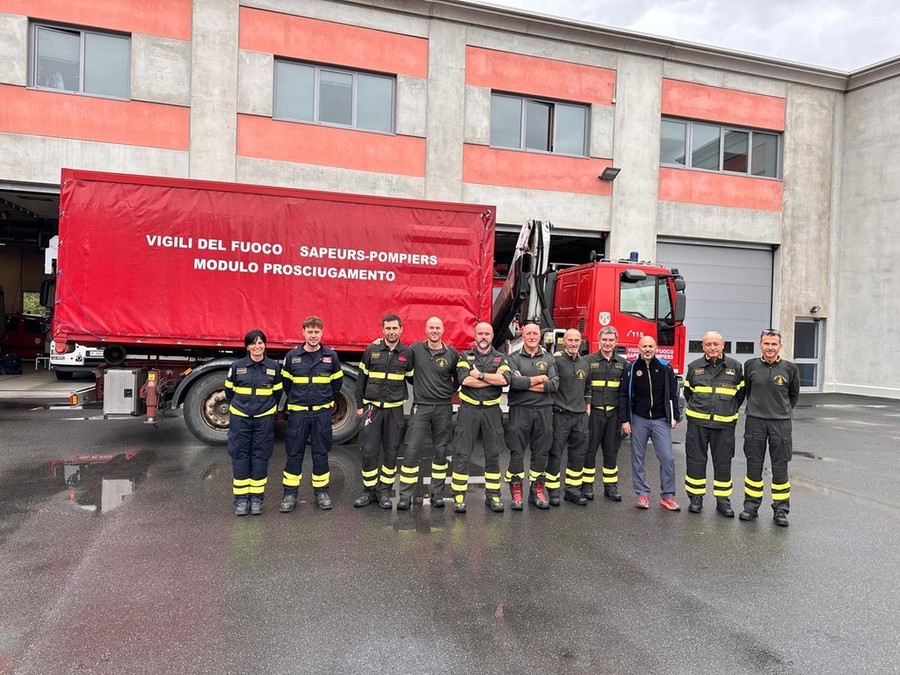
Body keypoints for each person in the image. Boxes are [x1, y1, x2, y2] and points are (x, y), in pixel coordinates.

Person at [278, 316, 344, 513]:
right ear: (303, 333)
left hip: (321, 415)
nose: (313, 335)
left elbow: (336, 384)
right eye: (310, 332)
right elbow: (287, 384)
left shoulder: (331, 357)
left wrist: (323, 400)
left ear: (321, 333)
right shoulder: (292, 357)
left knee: (321, 453)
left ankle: (322, 493)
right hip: (298, 415)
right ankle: (290, 494)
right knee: (294, 454)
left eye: (317, 332)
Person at [740, 328, 800, 527]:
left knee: (780, 467)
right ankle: (751, 506)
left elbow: (793, 396)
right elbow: (748, 391)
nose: (770, 347)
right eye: (766, 343)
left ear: (780, 346)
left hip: (780, 423)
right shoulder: (750, 366)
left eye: (774, 344)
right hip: (755, 422)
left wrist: (779, 411)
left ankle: (781, 510)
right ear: (760, 345)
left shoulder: (790, 369)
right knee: (753, 465)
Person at [682, 331, 746, 517]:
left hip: (724, 425)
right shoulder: (694, 367)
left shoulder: (735, 367)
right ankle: (695, 498)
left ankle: (723, 501)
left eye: (715, 344)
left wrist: (727, 409)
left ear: (722, 345)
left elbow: (740, 395)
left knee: (723, 462)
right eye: (708, 344)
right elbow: (688, 393)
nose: (712, 347)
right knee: (695, 460)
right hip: (698, 424)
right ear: (703, 347)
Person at [354, 314, 414, 510]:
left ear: (401, 329)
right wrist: (360, 405)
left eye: (394, 328)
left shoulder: (407, 352)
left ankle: (384, 492)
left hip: (395, 410)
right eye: (387, 329)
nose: (391, 332)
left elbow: (414, 379)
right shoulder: (372, 350)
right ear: (382, 330)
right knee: (369, 451)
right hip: (372, 409)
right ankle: (368, 491)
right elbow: (361, 380)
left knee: (391, 451)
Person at [398, 316, 459, 510]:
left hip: (443, 407)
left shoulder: (451, 353)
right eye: (431, 327)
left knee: (441, 451)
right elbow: (403, 365)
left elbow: (458, 379)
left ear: (443, 330)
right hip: (421, 406)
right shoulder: (415, 349)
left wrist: (448, 393)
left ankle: (437, 493)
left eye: (438, 328)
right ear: (426, 329)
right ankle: (405, 496)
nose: (434, 331)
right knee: (411, 450)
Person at [451, 321, 511, 514]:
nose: (483, 337)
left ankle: (493, 495)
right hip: (469, 410)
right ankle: (459, 496)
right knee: (462, 453)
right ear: (475, 335)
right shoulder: (464, 356)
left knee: (493, 453)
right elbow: (464, 380)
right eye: (480, 333)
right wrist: (489, 379)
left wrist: (479, 374)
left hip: (492, 412)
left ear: (492, 336)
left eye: (487, 334)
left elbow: (504, 380)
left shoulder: (501, 358)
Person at [224, 329, 283, 516]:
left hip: (263, 419)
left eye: (261, 343)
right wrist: (242, 408)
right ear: (247, 346)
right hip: (240, 418)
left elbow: (278, 392)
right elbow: (229, 392)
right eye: (253, 343)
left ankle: (257, 499)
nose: (257, 347)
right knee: (240, 455)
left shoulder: (274, 367)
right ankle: (241, 500)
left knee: (260, 456)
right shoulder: (236, 366)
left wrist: (264, 408)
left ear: (265, 345)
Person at [620, 335, 681, 511]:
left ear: (656, 348)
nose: (647, 349)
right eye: (644, 346)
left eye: (651, 346)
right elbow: (624, 394)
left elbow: (672, 394)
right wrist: (625, 419)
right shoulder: (631, 368)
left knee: (667, 457)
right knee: (637, 458)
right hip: (638, 419)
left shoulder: (664, 368)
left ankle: (668, 496)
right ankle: (642, 495)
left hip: (660, 419)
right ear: (638, 348)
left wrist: (674, 416)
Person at [505, 322, 559, 510]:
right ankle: (516, 491)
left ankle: (537, 490)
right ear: (523, 335)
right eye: (528, 333)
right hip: (520, 410)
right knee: (517, 451)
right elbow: (513, 382)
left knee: (541, 451)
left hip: (544, 410)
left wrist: (525, 382)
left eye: (535, 333)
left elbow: (554, 385)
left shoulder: (549, 358)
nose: (532, 337)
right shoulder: (513, 358)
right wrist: (540, 379)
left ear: (540, 336)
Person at [547, 328, 592, 506]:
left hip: (580, 416)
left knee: (578, 453)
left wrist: (587, 404)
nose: (573, 344)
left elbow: (588, 387)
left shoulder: (585, 363)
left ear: (581, 342)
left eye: (577, 340)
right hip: (560, 415)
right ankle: (553, 490)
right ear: (564, 342)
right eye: (570, 340)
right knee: (556, 452)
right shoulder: (556, 361)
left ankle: (572, 490)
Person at [584, 326, 628, 502]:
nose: (608, 343)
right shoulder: (588, 360)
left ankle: (610, 487)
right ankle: (586, 486)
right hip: (594, 413)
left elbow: (625, 392)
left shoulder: (623, 364)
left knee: (611, 452)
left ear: (616, 342)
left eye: (611, 340)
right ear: (599, 340)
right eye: (605, 340)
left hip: (614, 415)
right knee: (589, 451)